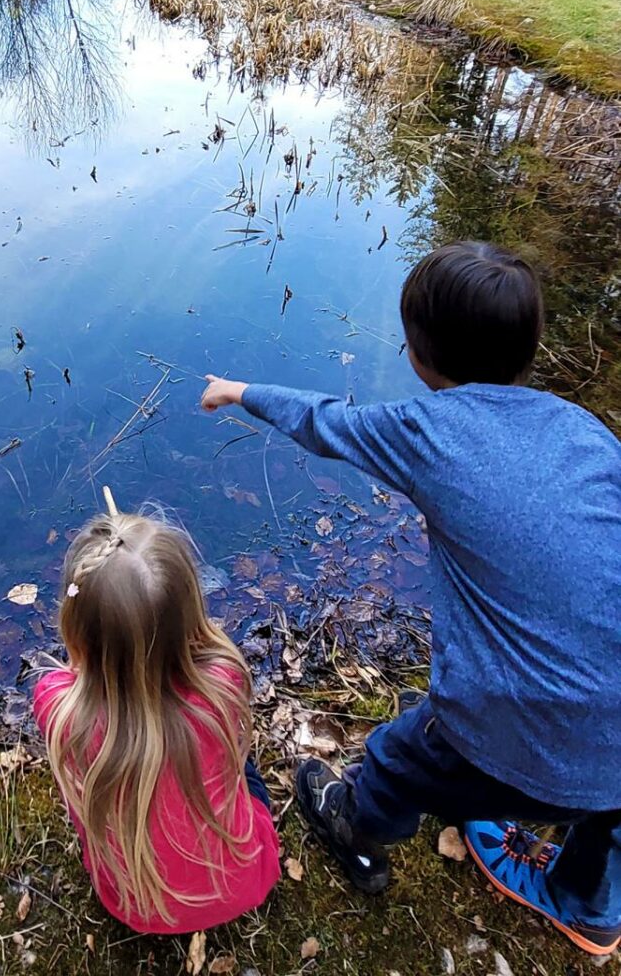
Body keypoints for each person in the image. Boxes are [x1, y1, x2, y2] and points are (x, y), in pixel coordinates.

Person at [200, 241, 621, 958]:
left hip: (517, 739)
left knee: (400, 757)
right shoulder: (584, 432)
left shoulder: (427, 431)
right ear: (530, 347)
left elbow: (325, 422)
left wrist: (237, 391)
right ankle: (593, 909)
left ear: (421, 357)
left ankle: (360, 831)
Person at [32, 509, 281, 934]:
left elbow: (71, 678)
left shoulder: (59, 708)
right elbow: (206, 650)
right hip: (246, 883)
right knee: (242, 768)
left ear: (75, 629)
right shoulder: (223, 683)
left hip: (135, 907)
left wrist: (95, 663)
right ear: (191, 618)